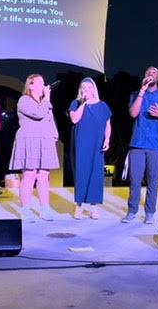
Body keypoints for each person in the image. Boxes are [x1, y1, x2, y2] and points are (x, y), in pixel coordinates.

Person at [122, 67, 158, 224]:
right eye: (148, 73)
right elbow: (133, 113)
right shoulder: (136, 94)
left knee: (153, 180)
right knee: (135, 180)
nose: (150, 74)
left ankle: (150, 213)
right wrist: (141, 91)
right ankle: (132, 211)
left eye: (154, 73)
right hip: (137, 144)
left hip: (156, 145)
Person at [9, 74, 59, 221]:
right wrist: (47, 98)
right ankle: (25, 210)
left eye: (44, 83)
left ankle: (45, 209)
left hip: (44, 140)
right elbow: (38, 113)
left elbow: (49, 118)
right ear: (30, 85)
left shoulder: (44, 101)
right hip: (29, 139)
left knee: (44, 175)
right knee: (29, 175)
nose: (43, 86)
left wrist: (54, 134)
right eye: (39, 83)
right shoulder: (24, 100)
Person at [68, 77, 112, 220]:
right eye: (83, 88)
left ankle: (93, 207)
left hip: (96, 143)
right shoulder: (76, 103)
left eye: (89, 87)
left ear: (94, 89)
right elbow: (74, 119)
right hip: (81, 143)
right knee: (81, 171)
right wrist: (83, 103)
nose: (86, 90)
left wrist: (107, 139)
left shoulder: (103, 105)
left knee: (96, 173)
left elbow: (107, 125)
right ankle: (79, 206)